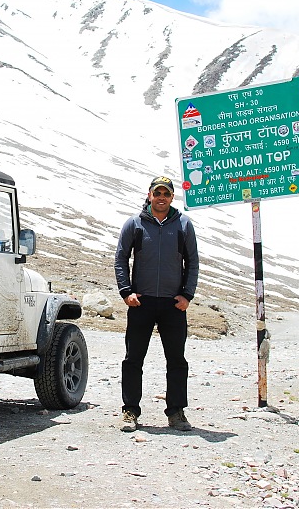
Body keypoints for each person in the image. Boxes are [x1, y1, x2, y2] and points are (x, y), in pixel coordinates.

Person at [114, 176, 199, 432]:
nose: (161, 197)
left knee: (176, 360)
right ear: (149, 195)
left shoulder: (183, 224)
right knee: (133, 359)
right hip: (142, 302)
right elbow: (120, 258)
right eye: (157, 192)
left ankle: (176, 412)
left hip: (174, 304)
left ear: (172, 197)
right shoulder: (135, 223)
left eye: (166, 193)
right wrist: (126, 291)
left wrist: (187, 295)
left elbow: (192, 262)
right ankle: (130, 411)